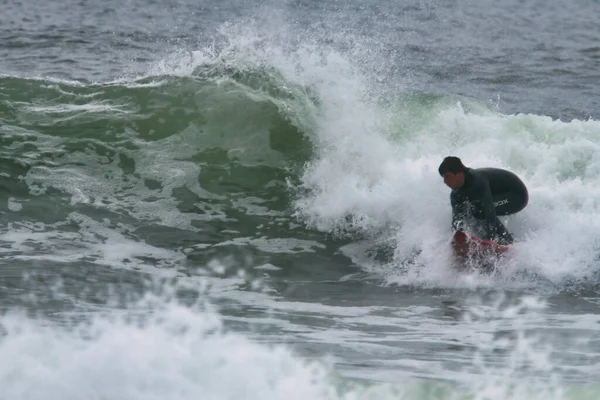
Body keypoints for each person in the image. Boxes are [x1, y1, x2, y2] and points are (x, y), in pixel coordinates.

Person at [438, 156, 528, 245]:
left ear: (459, 173)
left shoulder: (477, 182)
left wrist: (491, 241)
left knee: (480, 210)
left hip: (517, 195)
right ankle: (485, 240)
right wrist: (456, 239)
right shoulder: (455, 194)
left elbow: (489, 211)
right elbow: (457, 220)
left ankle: (507, 241)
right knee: (469, 211)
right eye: (443, 177)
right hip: (498, 195)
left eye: (447, 176)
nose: (445, 181)